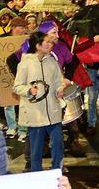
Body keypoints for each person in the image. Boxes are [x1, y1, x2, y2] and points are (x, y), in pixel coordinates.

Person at [13, 31, 68, 172]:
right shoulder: (25, 64)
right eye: (47, 42)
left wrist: (60, 89)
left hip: (53, 111)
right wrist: (29, 90)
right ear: (37, 45)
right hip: (35, 113)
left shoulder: (52, 61)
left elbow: (57, 82)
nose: (51, 44)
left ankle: (57, 171)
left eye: (51, 42)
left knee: (58, 143)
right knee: (36, 149)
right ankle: (36, 174)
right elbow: (17, 87)